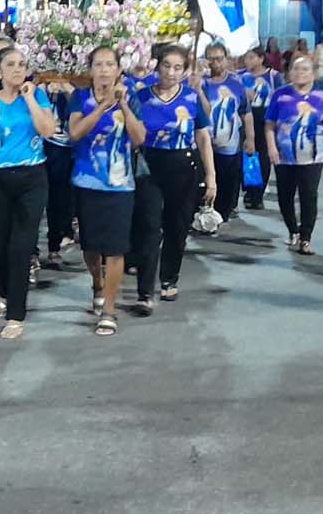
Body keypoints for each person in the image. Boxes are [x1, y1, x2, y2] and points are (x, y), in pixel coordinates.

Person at [0, 46, 57, 340]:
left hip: (32, 177)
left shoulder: (37, 96)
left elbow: (47, 130)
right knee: (0, 243)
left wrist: (30, 98)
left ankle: (16, 314)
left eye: (22, 64)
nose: (18, 70)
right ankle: (4, 292)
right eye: (11, 64)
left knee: (22, 245)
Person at [69, 47, 148, 336]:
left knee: (115, 249)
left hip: (120, 185)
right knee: (90, 246)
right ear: (90, 70)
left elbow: (139, 138)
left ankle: (109, 309)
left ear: (118, 70)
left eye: (109, 64)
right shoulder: (79, 97)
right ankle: (97, 282)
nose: (104, 70)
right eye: (98, 65)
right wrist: (102, 107)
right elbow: (75, 133)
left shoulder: (131, 98)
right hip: (86, 182)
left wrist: (123, 105)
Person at [131, 45, 217, 309]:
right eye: (166, 65)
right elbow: (131, 134)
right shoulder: (141, 97)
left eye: (177, 67)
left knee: (177, 228)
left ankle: (169, 279)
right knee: (148, 227)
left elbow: (202, 136)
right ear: (157, 66)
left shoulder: (191, 98)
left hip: (184, 167)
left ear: (185, 71)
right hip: (149, 168)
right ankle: (145, 291)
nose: (171, 72)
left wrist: (211, 175)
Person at [266, 54, 323, 255]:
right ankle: (292, 230)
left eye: (305, 69)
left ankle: (306, 238)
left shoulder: (321, 97)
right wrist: (272, 148)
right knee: (285, 196)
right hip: (284, 156)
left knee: (309, 196)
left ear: (313, 73)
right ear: (290, 72)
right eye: (296, 69)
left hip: (313, 156)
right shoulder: (280, 95)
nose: (300, 73)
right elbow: (270, 125)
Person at [198, 42, 255, 224]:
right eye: (211, 59)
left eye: (219, 59)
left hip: (229, 144)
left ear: (226, 59)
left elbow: (246, 113)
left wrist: (250, 138)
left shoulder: (236, 83)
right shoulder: (201, 83)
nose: (215, 63)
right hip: (204, 142)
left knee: (228, 181)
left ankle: (222, 214)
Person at [240, 47, 284, 210]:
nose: (248, 61)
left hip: (266, 120)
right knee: (250, 156)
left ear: (260, 59)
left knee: (264, 158)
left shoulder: (273, 76)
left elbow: (280, 97)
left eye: (251, 58)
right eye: (246, 58)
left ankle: (258, 194)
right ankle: (249, 191)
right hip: (249, 120)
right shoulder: (242, 77)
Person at [41, 80, 77, 267]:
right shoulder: (37, 87)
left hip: (65, 149)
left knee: (59, 200)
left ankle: (54, 245)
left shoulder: (78, 87)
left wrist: (69, 90)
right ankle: (31, 252)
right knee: (36, 202)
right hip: (40, 147)